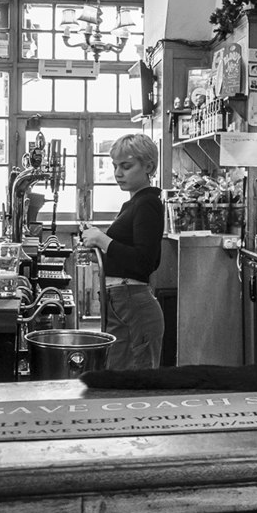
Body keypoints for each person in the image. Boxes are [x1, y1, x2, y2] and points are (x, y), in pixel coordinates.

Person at [80, 133, 165, 370]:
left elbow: (145, 262)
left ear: (148, 166)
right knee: (117, 378)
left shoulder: (148, 203)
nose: (118, 173)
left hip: (133, 303)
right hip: (120, 300)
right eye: (115, 166)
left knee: (133, 385)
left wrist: (103, 240)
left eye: (126, 166)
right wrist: (101, 248)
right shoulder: (133, 204)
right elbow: (131, 256)